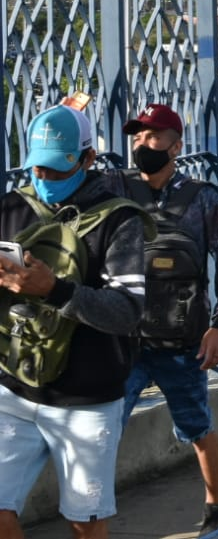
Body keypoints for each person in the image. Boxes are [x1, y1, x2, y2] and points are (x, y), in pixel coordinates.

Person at [0, 106, 149, 539]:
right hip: (15, 387)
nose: (44, 178)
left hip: (88, 398)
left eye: (55, 168)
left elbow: (127, 311)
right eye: (37, 167)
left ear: (87, 159)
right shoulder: (12, 208)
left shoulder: (118, 220)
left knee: (86, 523)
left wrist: (56, 290)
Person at [113, 104, 218, 536]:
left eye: (151, 137)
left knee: (196, 425)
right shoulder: (117, 190)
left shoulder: (202, 197)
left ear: (176, 146)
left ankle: (216, 505)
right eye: (137, 137)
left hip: (182, 340)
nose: (141, 144)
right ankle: (93, 511)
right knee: (102, 428)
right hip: (124, 339)